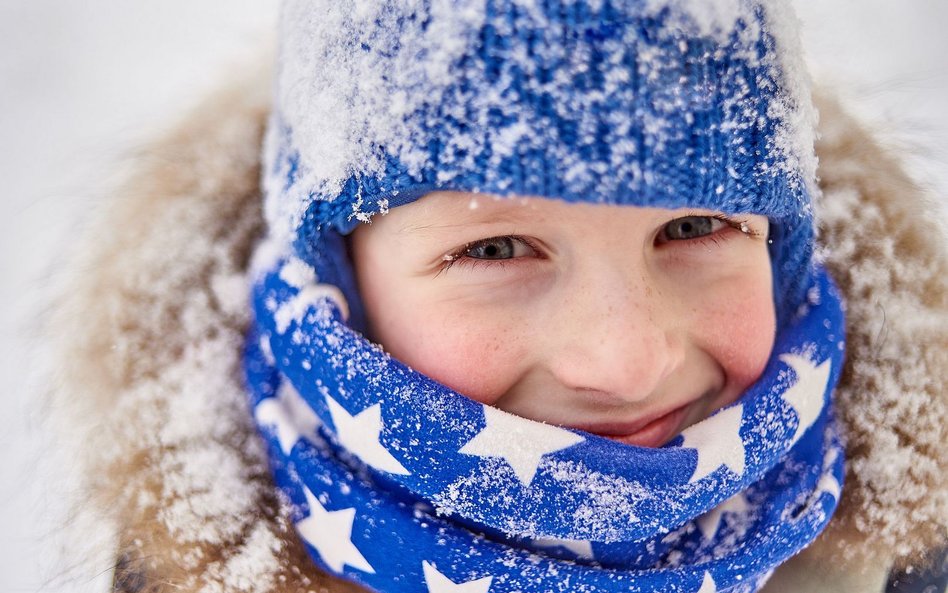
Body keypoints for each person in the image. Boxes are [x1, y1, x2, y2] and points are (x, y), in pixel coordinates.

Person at [49, 1, 945, 593]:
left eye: (694, 228)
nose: (627, 359)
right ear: (343, 281)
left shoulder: (901, 553)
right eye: (496, 248)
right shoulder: (193, 565)